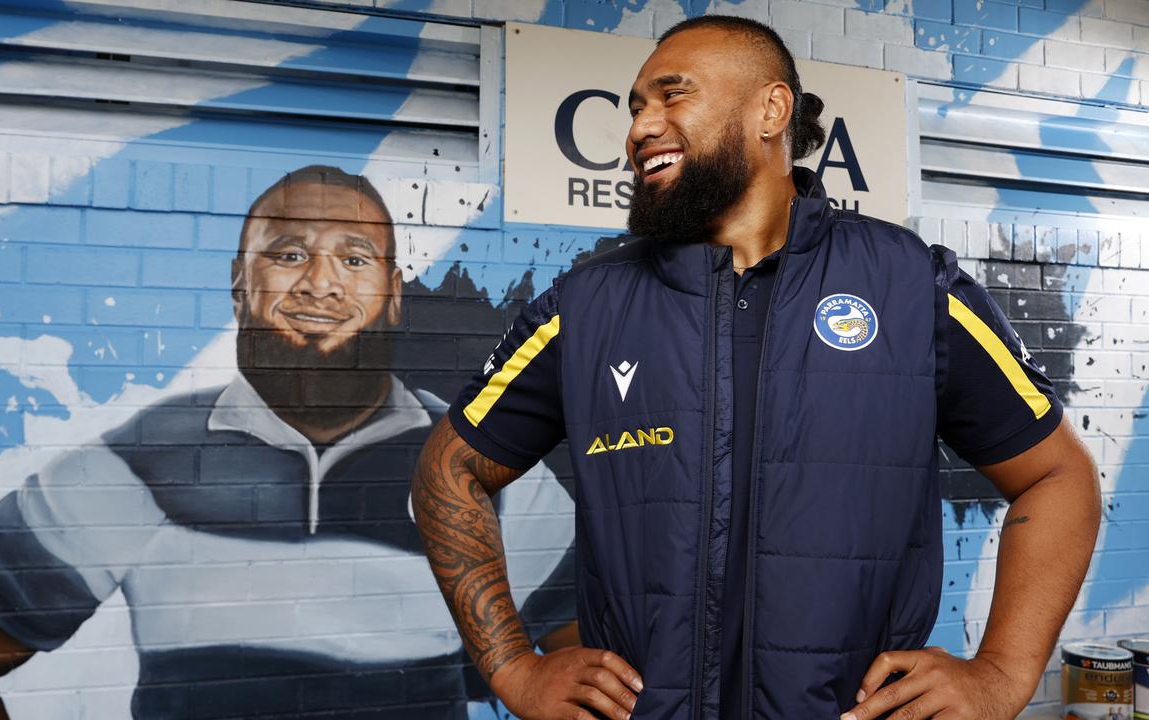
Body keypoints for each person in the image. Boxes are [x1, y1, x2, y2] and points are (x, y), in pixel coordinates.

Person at [412, 15, 1100, 720]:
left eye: (672, 95)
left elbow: (1057, 476)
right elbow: (448, 470)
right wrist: (514, 668)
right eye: (636, 108)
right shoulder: (584, 309)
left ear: (770, 110)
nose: (641, 127)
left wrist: (1001, 673)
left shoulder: (912, 290)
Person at [0, 166, 575, 720]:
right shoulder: (140, 463)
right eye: (289, 252)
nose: (321, 282)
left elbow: (593, 658)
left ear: (393, 293)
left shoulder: (472, 465)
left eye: (355, 259)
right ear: (239, 285)